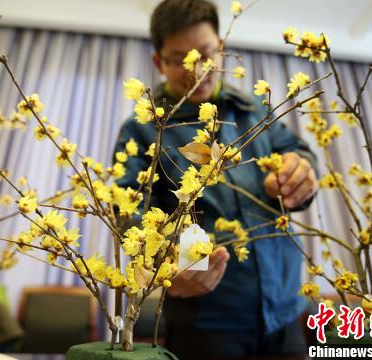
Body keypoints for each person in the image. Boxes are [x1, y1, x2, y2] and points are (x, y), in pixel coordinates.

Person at [114, 0, 319, 358]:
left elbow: (296, 149)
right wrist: (163, 268)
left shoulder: (255, 110)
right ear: (158, 62)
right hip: (205, 322)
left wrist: (299, 171)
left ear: (221, 49)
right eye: (181, 59)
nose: (198, 70)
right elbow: (126, 212)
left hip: (285, 310)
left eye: (207, 53)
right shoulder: (145, 129)